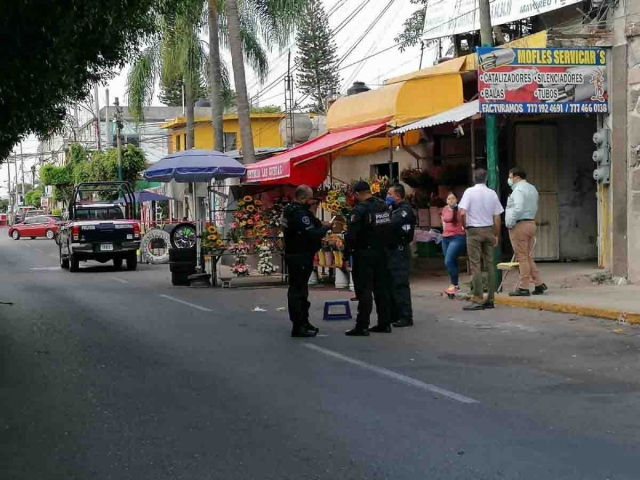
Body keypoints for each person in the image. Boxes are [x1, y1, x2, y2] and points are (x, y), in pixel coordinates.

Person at [344, 181, 393, 336]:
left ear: (357, 194)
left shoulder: (360, 210)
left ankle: (362, 325)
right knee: (381, 289)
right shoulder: (383, 206)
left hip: (364, 254)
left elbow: (351, 236)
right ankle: (384, 323)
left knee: (364, 290)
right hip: (382, 253)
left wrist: (346, 254)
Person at [283, 185, 332, 337]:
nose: (312, 201)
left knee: (302, 291)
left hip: (296, 254)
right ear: (303, 198)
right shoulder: (299, 213)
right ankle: (298, 326)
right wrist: (326, 228)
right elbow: (312, 234)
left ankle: (304, 321)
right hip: (300, 255)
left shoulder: (290, 209)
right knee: (298, 292)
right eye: (310, 198)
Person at [458, 169, 504, 311]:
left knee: (475, 265)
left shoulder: (469, 192)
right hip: (489, 229)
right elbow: (497, 217)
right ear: (486, 179)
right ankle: (490, 299)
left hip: (473, 230)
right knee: (490, 265)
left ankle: (478, 298)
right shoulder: (492, 193)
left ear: (474, 178)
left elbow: (462, 212)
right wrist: (496, 235)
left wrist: (465, 227)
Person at [505, 167, 547, 296]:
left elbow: (518, 208)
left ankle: (523, 287)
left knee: (521, 257)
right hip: (530, 223)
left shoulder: (518, 190)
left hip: (519, 225)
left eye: (510, 177)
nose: (509, 179)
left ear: (517, 177)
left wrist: (510, 223)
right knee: (527, 256)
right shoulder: (532, 188)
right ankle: (539, 283)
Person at [386, 184, 416, 327]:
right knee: (391, 283)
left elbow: (391, 224)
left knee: (400, 283)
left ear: (397, 195)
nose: (388, 196)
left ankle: (405, 316)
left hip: (400, 250)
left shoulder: (405, 210)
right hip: (391, 251)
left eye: (389, 194)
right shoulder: (393, 209)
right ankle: (395, 315)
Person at [441, 192, 466, 295]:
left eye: (453, 198)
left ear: (456, 200)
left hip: (457, 236)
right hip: (445, 237)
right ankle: (454, 285)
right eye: (449, 199)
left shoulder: (461, 209)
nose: (451, 200)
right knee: (451, 261)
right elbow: (443, 222)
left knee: (448, 261)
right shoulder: (445, 209)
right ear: (446, 200)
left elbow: (465, 222)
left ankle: (454, 285)